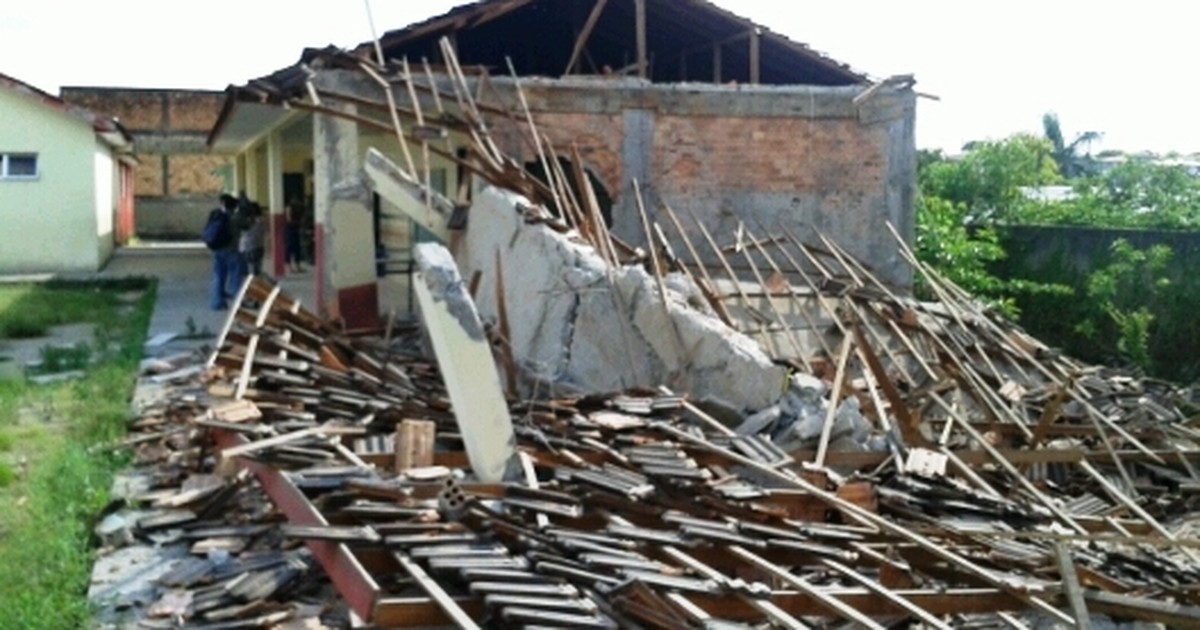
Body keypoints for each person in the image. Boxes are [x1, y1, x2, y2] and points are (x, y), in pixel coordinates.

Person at [208, 193, 244, 311]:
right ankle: (237, 302)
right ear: (234, 206)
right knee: (235, 276)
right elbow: (248, 225)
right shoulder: (236, 218)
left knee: (218, 276)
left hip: (218, 249)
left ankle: (217, 302)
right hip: (232, 251)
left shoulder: (217, 216)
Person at [239, 202, 267, 277]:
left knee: (246, 272)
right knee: (256, 270)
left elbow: (242, 232)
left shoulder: (247, 221)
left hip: (246, 247)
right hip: (259, 246)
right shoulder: (262, 220)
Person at [284, 197, 305, 272]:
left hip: (295, 228)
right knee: (290, 247)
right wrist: (298, 222)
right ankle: (289, 267)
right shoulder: (289, 207)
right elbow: (289, 219)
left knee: (297, 247)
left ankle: (297, 266)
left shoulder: (298, 207)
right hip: (290, 229)